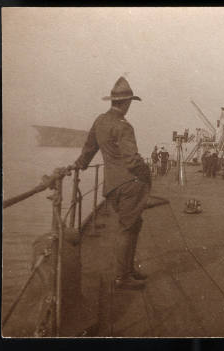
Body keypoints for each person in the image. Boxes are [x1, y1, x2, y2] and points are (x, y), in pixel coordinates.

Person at [74, 77, 150, 290]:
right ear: (127, 103)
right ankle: (122, 277)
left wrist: (78, 165)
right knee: (128, 228)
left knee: (133, 224)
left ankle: (127, 269)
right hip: (130, 185)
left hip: (112, 186)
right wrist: (147, 172)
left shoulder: (100, 121)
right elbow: (132, 159)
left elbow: (89, 149)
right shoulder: (125, 126)